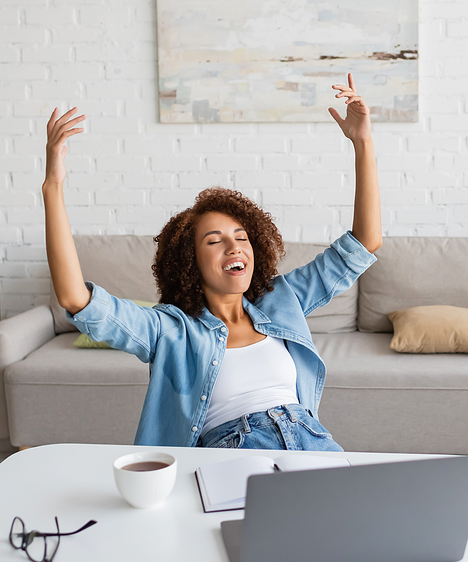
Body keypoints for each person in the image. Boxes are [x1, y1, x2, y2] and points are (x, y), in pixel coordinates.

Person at [43, 73, 382, 451]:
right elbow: (77, 299)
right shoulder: (171, 330)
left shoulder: (282, 299)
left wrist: (362, 142)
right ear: (190, 260)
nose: (235, 247)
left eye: (241, 238)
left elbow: (364, 244)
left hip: (312, 441)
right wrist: (52, 186)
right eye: (214, 241)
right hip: (235, 455)